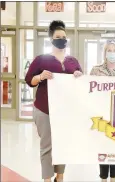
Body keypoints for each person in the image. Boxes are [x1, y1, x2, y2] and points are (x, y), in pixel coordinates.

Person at [25, 20, 83, 182]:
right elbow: (29, 80)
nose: (62, 39)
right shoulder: (41, 60)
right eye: (58, 37)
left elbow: (80, 84)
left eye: (64, 37)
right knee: (47, 147)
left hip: (65, 111)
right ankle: (47, 179)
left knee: (63, 145)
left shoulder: (73, 61)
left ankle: (60, 176)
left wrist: (78, 77)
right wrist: (41, 76)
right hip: (44, 110)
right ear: (51, 39)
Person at [90, 40, 115, 182]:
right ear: (105, 53)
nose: (112, 53)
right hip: (101, 113)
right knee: (102, 145)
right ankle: (103, 177)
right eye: (109, 50)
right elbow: (88, 89)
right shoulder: (96, 70)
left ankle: (113, 177)